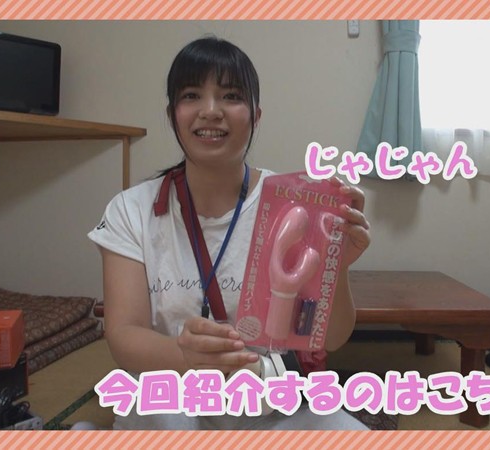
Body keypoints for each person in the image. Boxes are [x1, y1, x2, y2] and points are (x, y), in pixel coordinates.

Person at [87, 36, 371, 430]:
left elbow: (331, 338)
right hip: (172, 394)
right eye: (191, 95)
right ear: (172, 114)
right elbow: (123, 334)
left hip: (266, 398)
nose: (210, 111)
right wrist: (187, 357)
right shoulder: (131, 210)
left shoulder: (296, 206)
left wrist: (336, 269)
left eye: (231, 96)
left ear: (256, 115)